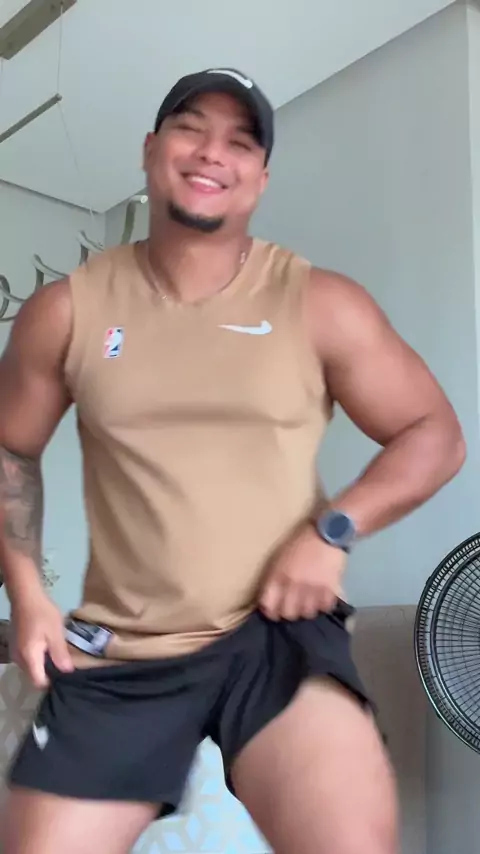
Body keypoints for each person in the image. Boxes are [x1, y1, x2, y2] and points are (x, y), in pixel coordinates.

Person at [0, 67, 465, 854]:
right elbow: (12, 448)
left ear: (261, 177)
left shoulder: (320, 302)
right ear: (151, 149)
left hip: (275, 637)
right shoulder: (66, 311)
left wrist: (332, 531)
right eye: (190, 128)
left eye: (241, 142)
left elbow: (434, 432)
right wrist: (27, 596)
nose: (213, 152)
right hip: (121, 651)